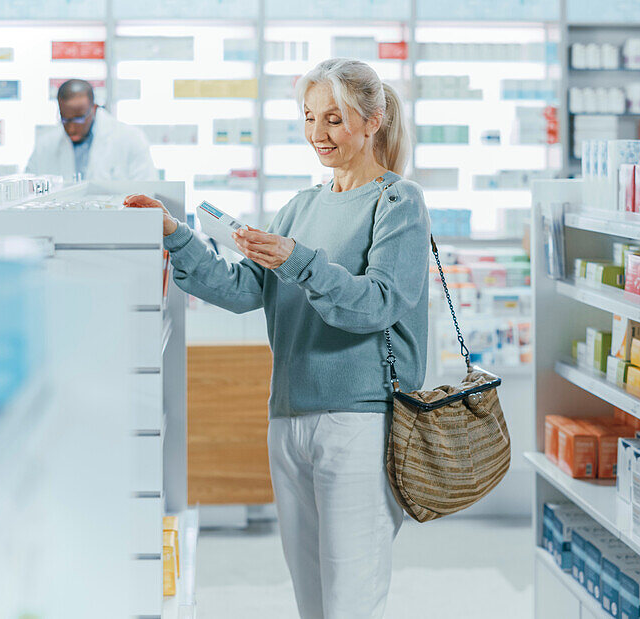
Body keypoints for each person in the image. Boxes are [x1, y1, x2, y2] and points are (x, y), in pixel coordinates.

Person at [126, 58, 429, 618]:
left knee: (352, 601)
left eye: (334, 119)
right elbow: (245, 290)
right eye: (310, 117)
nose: (319, 134)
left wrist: (300, 262)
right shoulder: (301, 207)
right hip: (288, 417)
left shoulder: (398, 203)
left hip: (359, 421)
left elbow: (380, 303)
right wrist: (178, 236)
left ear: (373, 120)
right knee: (312, 600)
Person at [25, 79, 157, 182]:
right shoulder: (45, 145)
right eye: (66, 119)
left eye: (78, 119)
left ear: (93, 109)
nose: (71, 128)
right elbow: (27, 192)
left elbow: (147, 193)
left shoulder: (130, 138)